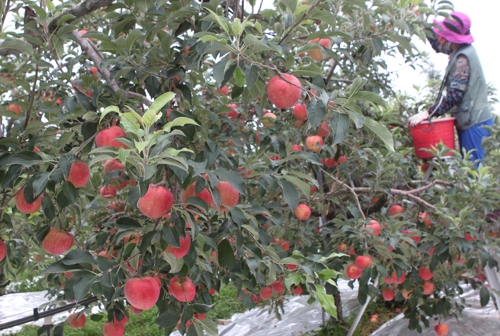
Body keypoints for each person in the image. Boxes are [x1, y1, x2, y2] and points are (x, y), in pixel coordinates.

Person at [409, 12, 494, 168]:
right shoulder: (458, 48)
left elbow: (454, 96)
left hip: (475, 123)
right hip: (470, 120)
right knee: (468, 168)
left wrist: (428, 113)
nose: (440, 37)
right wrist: (420, 20)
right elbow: (437, 43)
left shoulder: (462, 59)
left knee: (472, 171)